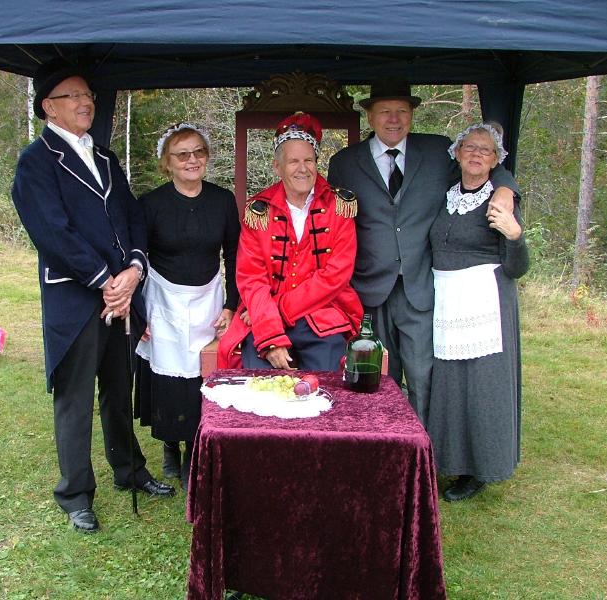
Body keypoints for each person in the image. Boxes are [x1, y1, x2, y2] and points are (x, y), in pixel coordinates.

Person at [11, 59, 174, 534]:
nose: (86, 103)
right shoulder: (36, 162)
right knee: (76, 398)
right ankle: (76, 493)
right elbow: (53, 233)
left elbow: (132, 216)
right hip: (77, 297)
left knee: (119, 390)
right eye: (75, 96)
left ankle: (129, 470)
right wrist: (107, 280)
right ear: (49, 107)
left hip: (121, 292)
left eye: (89, 96)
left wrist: (134, 270)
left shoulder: (105, 157)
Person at [327, 78, 519, 427]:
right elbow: (331, 220)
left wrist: (507, 188)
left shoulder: (437, 151)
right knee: (373, 378)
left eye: (402, 111)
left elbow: (483, 165)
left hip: (420, 287)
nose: (394, 119)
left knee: (423, 378)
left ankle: (422, 448)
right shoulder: (344, 163)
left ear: (412, 115)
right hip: (368, 291)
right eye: (385, 111)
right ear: (370, 116)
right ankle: (379, 442)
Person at [427, 122, 529, 501]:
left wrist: (515, 235)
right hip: (447, 299)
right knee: (451, 386)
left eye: (485, 150)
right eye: (469, 147)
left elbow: (518, 267)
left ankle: (481, 469)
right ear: (456, 153)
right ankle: (450, 462)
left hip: (487, 301)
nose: (476, 154)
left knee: (483, 387)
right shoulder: (444, 192)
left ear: (496, 160)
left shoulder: (501, 201)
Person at [135, 123, 240, 487]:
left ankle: (196, 445)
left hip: (208, 297)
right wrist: (138, 312)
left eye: (198, 152)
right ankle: (170, 444)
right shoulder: (151, 204)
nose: (192, 160)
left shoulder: (222, 200)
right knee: (168, 377)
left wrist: (232, 303)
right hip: (163, 299)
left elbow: (235, 253)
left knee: (200, 373)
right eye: (182, 154)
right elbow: (135, 258)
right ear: (168, 162)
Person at [218, 112, 363, 371]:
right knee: (258, 381)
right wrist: (270, 334)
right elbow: (252, 279)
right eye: (293, 161)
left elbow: (336, 276)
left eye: (309, 160)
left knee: (330, 382)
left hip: (322, 314)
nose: (303, 168)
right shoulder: (259, 211)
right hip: (265, 317)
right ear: (278, 167)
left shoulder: (339, 206)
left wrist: (280, 307)